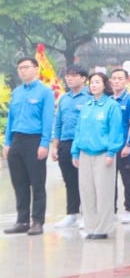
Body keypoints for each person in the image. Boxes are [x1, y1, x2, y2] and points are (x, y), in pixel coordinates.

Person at [3, 57, 55, 236]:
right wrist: (7, 143)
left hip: (34, 140)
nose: (23, 71)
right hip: (17, 140)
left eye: (26, 67)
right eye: (20, 68)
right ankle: (22, 220)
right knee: (19, 183)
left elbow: (48, 120)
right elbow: (11, 119)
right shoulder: (17, 92)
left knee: (37, 182)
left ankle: (38, 221)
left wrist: (44, 143)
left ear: (36, 69)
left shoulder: (44, 92)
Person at [71, 72, 124, 240]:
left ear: (104, 84)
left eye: (97, 82)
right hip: (85, 153)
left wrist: (111, 152)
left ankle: (103, 228)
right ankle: (90, 226)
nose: (93, 85)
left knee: (104, 192)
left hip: (103, 154)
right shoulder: (87, 105)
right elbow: (78, 130)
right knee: (87, 192)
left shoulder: (111, 105)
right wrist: (75, 151)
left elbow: (116, 130)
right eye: (91, 82)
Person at [52, 64, 91, 228]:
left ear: (83, 78)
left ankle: (87, 214)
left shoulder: (89, 97)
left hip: (82, 144)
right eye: (67, 75)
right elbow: (58, 124)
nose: (69, 78)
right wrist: (55, 146)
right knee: (69, 180)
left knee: (85, 180)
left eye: (73, 75)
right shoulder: (64, 98)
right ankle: (72, 214)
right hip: (65, 143)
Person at [110, 68, 130, 226]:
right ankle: (111, 210)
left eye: (120, 78)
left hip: (123, 146)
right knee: (109, 180)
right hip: (110, 147)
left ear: (126, 81)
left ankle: (129, 209)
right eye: (114, 78)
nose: (116, 81)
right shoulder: (108, 99)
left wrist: (128, 144)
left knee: (127, 179)